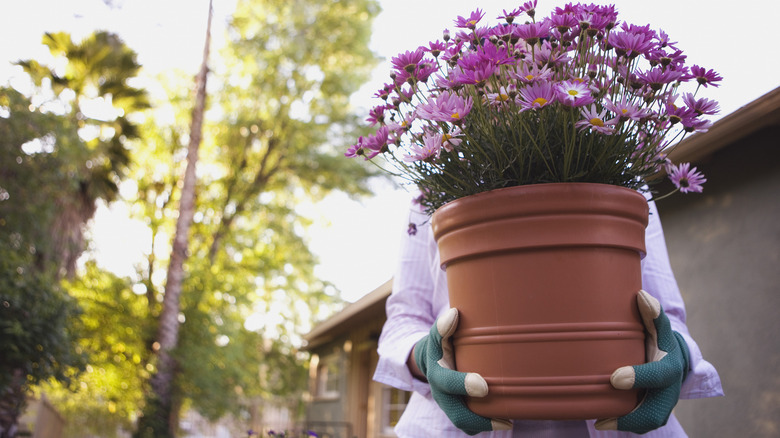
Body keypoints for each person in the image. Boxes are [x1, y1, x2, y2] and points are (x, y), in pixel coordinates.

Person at [373, 193, 723, 437]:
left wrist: (676, 349)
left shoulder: (626, 171)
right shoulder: (434, 185)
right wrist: (425, 355)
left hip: (618, 416)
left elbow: (664, 310)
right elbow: (404, 318)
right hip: (454, 426)